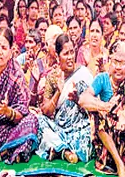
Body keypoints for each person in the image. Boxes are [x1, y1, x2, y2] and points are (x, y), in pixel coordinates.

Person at [79, 41, 125, 177]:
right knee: (96, 112)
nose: (118, 67)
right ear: (109, 61)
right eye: (115, 62)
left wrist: (124, 116)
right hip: (106, 139)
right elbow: (83, 99)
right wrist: (108, 108)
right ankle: (120, 165)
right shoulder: (102, 79)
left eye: (122, 63)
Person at [0, 28, 39, 165]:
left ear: (11, 51)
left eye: (4, 48)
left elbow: (22, 111)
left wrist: (7, 111)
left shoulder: (16, 74)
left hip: (9, 126)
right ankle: (9, 150)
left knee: (32, 121)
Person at [36, 34, 94, 163]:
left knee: (90, 135)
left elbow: (93, 105)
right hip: (60, 129)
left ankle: (57, 147)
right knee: (38, 120)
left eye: (72, 52)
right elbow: (46, 111)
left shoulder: (84, 73)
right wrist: (58, 91)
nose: (70, 57)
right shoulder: (53, 77)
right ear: (57, 56)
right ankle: (64, 150)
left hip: (80, 128)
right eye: (65, 54)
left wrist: (78, 100)